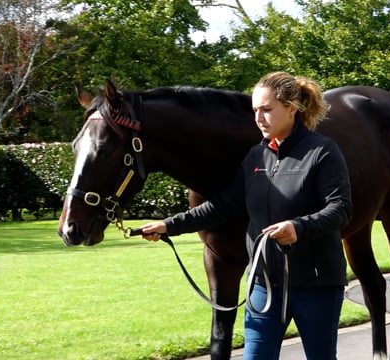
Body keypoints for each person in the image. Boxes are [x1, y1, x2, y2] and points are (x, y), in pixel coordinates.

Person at [140, 71, 352, 359]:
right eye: (255, 111)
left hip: (316, 286)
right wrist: (169, 225)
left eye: (267, 109)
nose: (259, 118)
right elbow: (223, 205)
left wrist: (297, 227)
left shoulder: (322, 152)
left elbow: (340, 209)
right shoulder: (256, 156)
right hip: (264, 286)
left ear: (291, 108)